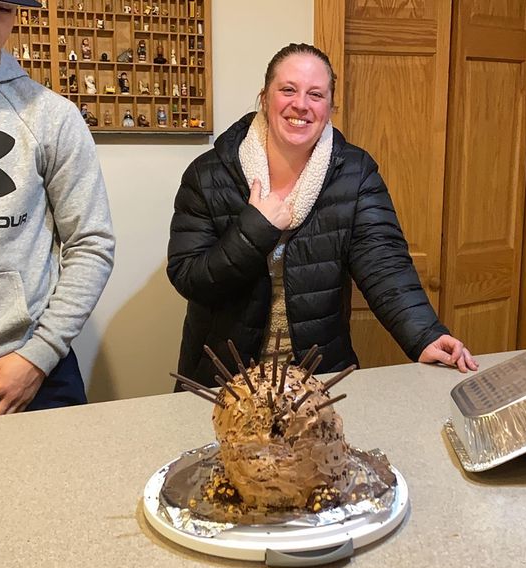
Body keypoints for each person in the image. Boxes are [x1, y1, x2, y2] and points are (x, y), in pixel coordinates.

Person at [167, 43, 477, 387]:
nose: (301, 104)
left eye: (316, 94)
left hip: (316, 381)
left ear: (330, 108)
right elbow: (189, 277)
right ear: (265, 98)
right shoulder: (208, 174)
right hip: (223, 380)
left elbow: (385, 265)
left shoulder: (355, 173)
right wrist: (256, 229)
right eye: (288, 90)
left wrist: (425, 335)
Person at [0, 0, 115, 416]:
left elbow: (92, 243)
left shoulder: (50, 116)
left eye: (2, 8)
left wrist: (39, 355)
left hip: (28, 372)